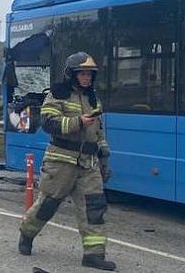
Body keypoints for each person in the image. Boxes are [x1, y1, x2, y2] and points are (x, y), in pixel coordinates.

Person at [18, 52, 115, 271]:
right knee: (48, 204)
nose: (87, 78)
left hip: (88, 164)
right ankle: (27, 233)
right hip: (61, 162)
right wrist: (77, 122)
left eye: (90, 74)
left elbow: (98, 132)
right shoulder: (58, 94)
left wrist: (104, 157)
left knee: (94, 208)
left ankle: (94, 254)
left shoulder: (93, 99)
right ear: (72, 74)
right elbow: (48, 123)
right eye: (82, 74)